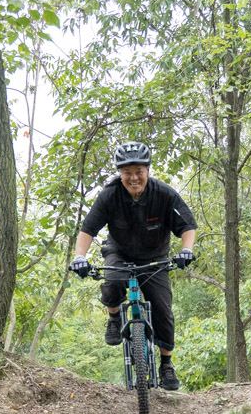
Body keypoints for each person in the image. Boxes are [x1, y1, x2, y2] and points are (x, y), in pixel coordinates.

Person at [69, 141, 197, 391]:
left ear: (148, 170)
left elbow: (187, 226)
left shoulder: (164, 194)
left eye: (139, 171)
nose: (133, 177)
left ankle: (166, 364)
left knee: (163, 309)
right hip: (119, 251)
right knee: (112, 281)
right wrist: (79, 257)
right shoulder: (109, 195)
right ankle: (114, 318)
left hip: (155, 257)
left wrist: (186, 250)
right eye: (127, 172)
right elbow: (88, 229)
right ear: (120, 173)